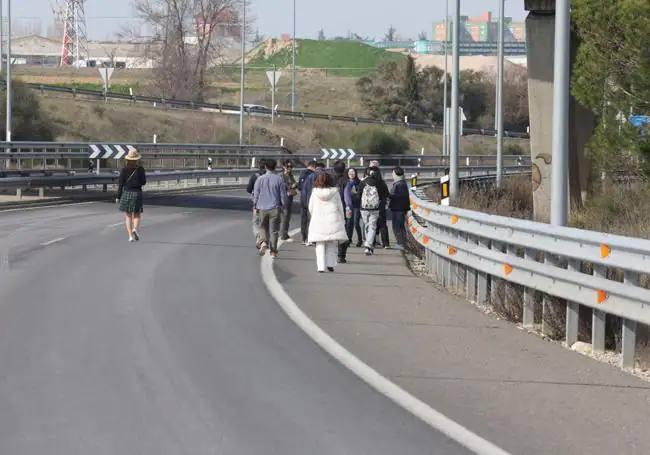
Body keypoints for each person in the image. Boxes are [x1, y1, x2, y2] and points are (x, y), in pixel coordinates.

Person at [308, 173, 348, 273]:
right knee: (331, 242)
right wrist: (342, 220)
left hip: (318, 220)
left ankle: (320, 266)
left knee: (320, 244)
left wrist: (315, 215)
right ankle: (330, 264)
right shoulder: (335, 192)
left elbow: (310, 207)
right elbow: (340, 207)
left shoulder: (315, 192)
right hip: (332, 220)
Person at [253, 159, 288, 258]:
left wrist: (255, 205)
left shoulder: (260, 179)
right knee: (274, 231)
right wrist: (284, 206)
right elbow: (283, 195)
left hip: (262, 207)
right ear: (275, 167)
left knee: (262, 227)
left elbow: (256, 194)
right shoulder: (279, 179)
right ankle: (273, 251)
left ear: (265, 167)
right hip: (275, 208)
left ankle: (263, 242)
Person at [117, 149, 147, 243]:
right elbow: (143, 182)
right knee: (137, 214)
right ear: (136, 159)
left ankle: (130, 236)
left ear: (128, 159)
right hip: (137, 193)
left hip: (127, 193)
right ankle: (135, 229)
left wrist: (118, 196)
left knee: (128, 216)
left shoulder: (124, 170)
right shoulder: (140, 169)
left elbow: (120, 184)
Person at [358, 166, 389, 256]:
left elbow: (358, 194)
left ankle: (368, 244)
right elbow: (386, 195)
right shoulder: (381, 183)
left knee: (366, 225)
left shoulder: (363, 182)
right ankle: (369, 246)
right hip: (375, 208)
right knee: (372, 226)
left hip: (363, 208)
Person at [331, 160, 351, 263]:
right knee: (343, 233)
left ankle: (331, 254)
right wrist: (348, 207)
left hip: (330, 209)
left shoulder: (329, 180)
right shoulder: (346, 181)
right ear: (344, 170)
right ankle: (341, 256)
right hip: (341, 210)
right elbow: (347, 197)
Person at [389, 166, 411, 249]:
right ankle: (402, 243)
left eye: (393, 173)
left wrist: (389, 195)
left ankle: (401, 243)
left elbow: (400, 197)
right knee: (399, 226)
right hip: (399, 208)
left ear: (396, 174)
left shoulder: (400, 184)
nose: (392, 174)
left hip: (399, 209)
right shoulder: (400, 183)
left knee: (397, 226)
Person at [247, 159, 266, 247]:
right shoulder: (272, 176)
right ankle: (266, 240)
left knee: (256, 222)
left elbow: (248, 189)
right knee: (266, 222)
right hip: (270, 203)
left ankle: (259, 238)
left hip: (257, 203)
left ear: (259, 166)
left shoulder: (254, 176)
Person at [298, 160, 317, 245]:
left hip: (303, 199)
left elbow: (299, 187)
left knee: (303, 219)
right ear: (314, 166)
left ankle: (303, 238)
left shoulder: (302, 173)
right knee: (311, 219)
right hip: (311, 200)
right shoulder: (314, 175)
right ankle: (310, 238)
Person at [344, 168, 363, 247]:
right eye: (350, 172)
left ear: (356, 173)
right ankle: (348, 239)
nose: (351, 173)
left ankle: (360, 240)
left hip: (357, 206)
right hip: (348, 206)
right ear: (347, 174)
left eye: (353, 172)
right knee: (349, 223)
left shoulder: (359, 182)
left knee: (356, 223)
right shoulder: (345, 182)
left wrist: (357, 193)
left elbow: (361, 194)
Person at [280, 160, 298, 241]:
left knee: (288, 216)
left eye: (291, 167)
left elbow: (294, 183)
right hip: (284, 198)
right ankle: (283, 234)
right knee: (285, 216)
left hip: (290, 198)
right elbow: (282, 186)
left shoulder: (290, 175)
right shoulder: (281, 176)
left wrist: (295, 185)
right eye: (288, 166)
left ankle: (285, 233)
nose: (290, 168)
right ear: (284, 167)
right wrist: (290, 186)